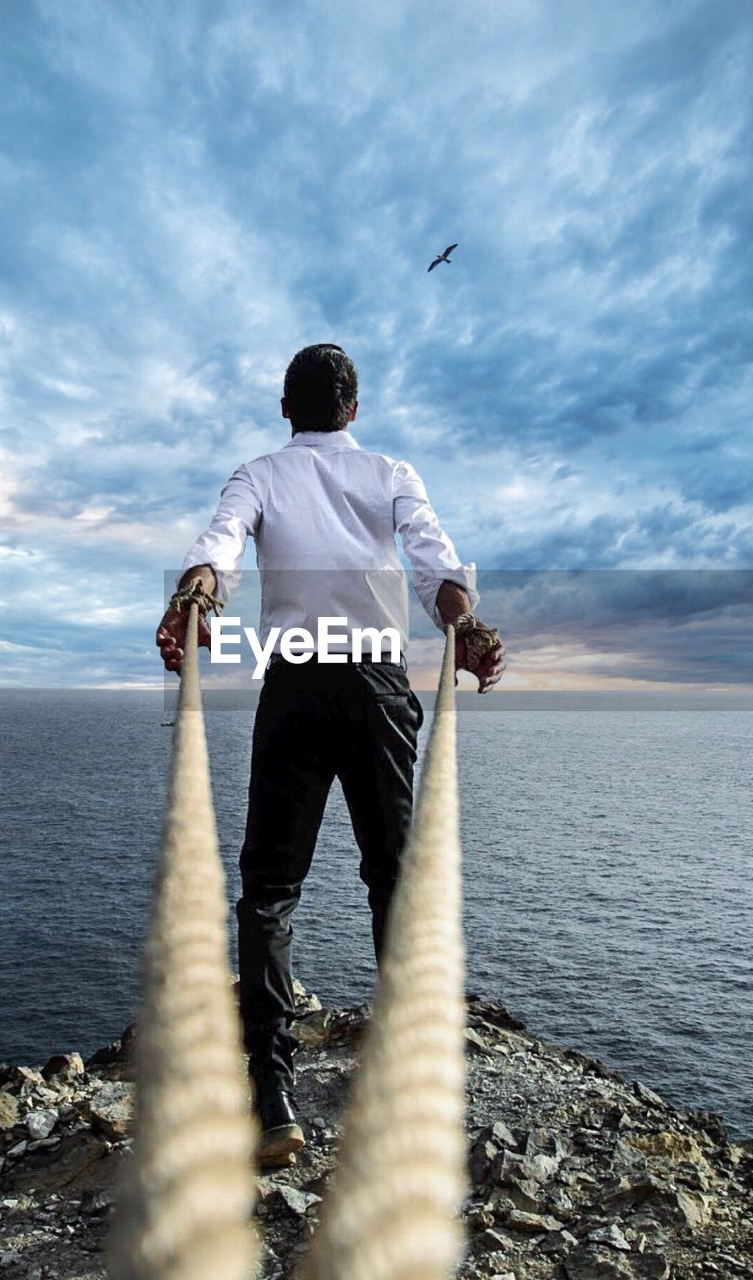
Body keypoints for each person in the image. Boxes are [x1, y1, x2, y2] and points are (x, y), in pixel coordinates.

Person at [156, 344, 505, 1165]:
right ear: (354, 408)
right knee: (393, 877)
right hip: (380, 692)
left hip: (298, 688)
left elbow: (221, 544)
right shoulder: (390, 472)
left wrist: (193, 598)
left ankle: (272, 1097)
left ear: (288, 410)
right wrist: (469, 628)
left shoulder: (259, 474)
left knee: (270, 891)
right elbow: (436, 565)